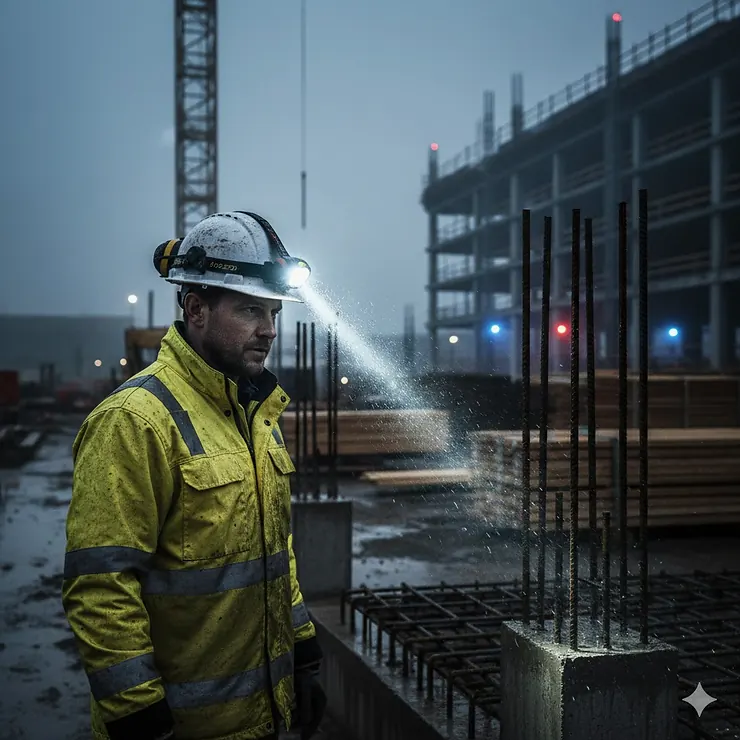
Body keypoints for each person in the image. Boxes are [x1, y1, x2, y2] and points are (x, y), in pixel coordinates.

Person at [62, 211, 325, 740]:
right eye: (251, 310)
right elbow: (101, 587)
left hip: (263, 720)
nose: (269, 329)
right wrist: (140, 719)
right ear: (196, 308)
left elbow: (274, 553)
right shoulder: (135, 421)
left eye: (273, 312)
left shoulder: (255, 415)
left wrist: (302, 651)